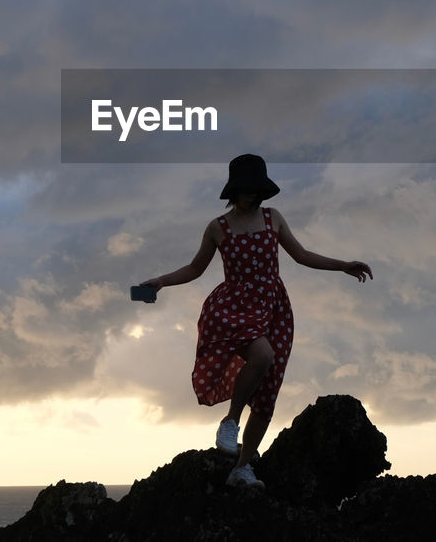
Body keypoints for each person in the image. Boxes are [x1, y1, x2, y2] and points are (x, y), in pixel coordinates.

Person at [139, 154, 374, 490]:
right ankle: (231, 420)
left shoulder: (272, 218)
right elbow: (195, 269)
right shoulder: (217, 228)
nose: (256, 197)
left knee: (267, 394)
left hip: (273, 309)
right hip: (234, 308)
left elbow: (302, 255)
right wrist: (160, 281)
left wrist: (343, 265)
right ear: (235, 191)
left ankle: (243, 467)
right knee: (263, 356)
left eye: (260, 191)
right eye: (250, 190)